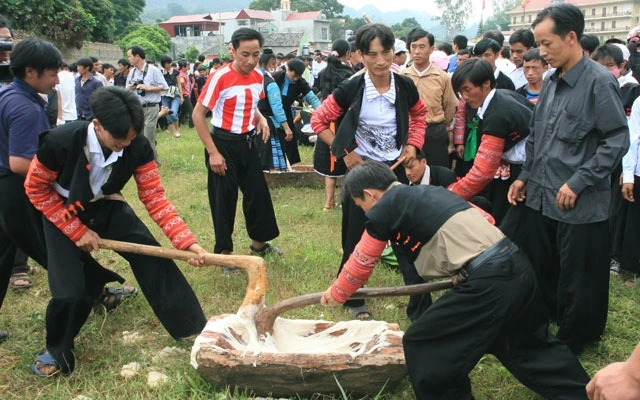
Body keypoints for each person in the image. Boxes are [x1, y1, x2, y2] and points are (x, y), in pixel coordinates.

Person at [320, 160, 591, 400]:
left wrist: (339, 293)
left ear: (370, 194)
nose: (365, 212)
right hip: (516, 264)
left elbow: (362, 261)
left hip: (489, 282)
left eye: (361, 205)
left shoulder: (385, 209)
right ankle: (584, 393)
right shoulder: (434, 192)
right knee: (526, 345)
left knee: (424, 342)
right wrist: (462, 269)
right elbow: (485, 218)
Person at [24, 86, 207, 376]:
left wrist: (186, 243)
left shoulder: (137, 146)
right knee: (70, 288)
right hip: (62, 210)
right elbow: (35, 188)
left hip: (106, 205)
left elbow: (155, 198)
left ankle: (193, 330)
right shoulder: (59, 142)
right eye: (118, 138)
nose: (125, 143)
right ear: (97, 125)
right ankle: (57, 349)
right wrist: (76, 230)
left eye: (130, 137)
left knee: (154, 259)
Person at [505, 3, 630, 354]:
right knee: (547, 266)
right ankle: (555, 318)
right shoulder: (552, 81)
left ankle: (578, 336)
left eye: (547, 44)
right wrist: (525, 176)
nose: (542, 52)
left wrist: (578, 181)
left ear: (571, 37)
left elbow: (616, 140)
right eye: (539, 45)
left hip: (580, 200)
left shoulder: (598, 82)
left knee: (581, 274)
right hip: (544, 192)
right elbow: (540, 135)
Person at [310, 23, 427, 320]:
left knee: (408, 236)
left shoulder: (404, 85)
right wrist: (346, 152)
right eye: (372, 54)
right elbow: (319, 122)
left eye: (385, 52)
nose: (380, 61)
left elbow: (420, 114)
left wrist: (413, 145)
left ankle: (419, 302)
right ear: (360, 55)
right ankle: (352, 298)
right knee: (355, 237)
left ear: (393, 52)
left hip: (395, 170)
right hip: (362, 174)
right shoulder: (352, 86)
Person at [192, 28, 281, 275]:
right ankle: (225, 256)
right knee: (224, 200)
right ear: (232, 50)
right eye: (244, 54)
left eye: (255, 54)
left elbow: (249, 103)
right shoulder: (220, 77)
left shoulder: (258, 77)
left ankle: (259, 245)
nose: (250, 60)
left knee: (258, 194)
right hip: (222, 144)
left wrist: (260, 118)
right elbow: (198, 115)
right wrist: (213, 152)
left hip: (248, 143)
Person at [0, 38, 63, 344]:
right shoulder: (26, 108)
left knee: (3, 257)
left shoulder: (7, 95)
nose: (56, 80)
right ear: (30, 72)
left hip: (3, 189)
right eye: (51, 74)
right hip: (15, 189)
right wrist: (59, 177)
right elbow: (19, 163)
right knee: (53, 248)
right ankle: (94, 292)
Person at [449, 58, 533, 225]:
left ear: (486, 84)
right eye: (460, 92)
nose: (464, 97)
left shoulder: (497, 113)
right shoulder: (503, 96)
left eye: (467, 90)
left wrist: (449, 196)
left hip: (526, 171)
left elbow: (482, 172)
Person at [402, 28, 457, 168]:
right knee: (408, 172)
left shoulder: (442, 77)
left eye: (422, 47)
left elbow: (449, 107)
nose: (417, 51)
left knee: (435, 173)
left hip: (434, 133)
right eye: (413, 46)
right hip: (409, 133)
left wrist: (442, 127)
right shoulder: (402, 77)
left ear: (431, 49)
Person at [314, 38, 353, 211]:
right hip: (343, 121)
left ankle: (328, 202)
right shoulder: (348, 74)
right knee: (348, 159)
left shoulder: (324, 72)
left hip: (326, 122)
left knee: (330, 160)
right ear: (348, 54)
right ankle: (346, 200)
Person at [271, 58, 322, 166]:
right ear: (288, 69)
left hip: (287, 112)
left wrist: (322, 111)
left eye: (298, 76)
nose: (295, 79)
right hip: (271, 112)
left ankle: (290, 164)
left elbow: (312, 98)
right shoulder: (276, 77)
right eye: (294, 76)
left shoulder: (301, 82)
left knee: (289, 138)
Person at [126, 45, 168, 164]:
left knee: (148, 137)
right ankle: (142, 162)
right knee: (138, 136)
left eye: (130, 56)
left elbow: (164, 87)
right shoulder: (132, 72)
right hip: (137, 108)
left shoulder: (153, 70)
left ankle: (153, 163)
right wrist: (132, 87)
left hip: (151, 106)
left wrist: (148, 88)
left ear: (137, 56)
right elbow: (126, 89)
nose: (128, 59)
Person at [256, 50, 293, 172]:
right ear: (271, 64)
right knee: (266, 155)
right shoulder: (271, 84)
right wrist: (287, 128)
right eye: (274, 64)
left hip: (252, 121)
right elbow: (277, 108)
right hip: (267, 123)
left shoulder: (253, 80)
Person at [159, 55, 182, 138]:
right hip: (164, 94)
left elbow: (179, 84)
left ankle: (176, 129)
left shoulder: (175, 72)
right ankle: (174, 132)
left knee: (174, 112)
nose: (168, 65)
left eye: (169, 63)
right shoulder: (160, 72)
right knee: (167, 112)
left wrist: (181, 96)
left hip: (175, 94)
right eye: (166, 63)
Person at [177, 60, 194, 129]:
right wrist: (184, 88)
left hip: (186, 93)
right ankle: (191, 125)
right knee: (191, 110)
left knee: (183, 111)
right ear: (183, 67)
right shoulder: (181, 74)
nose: (188, 68)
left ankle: (178, 123)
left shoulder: (184, 73)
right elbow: (181, 82)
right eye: (187, 67)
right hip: (185, 94)